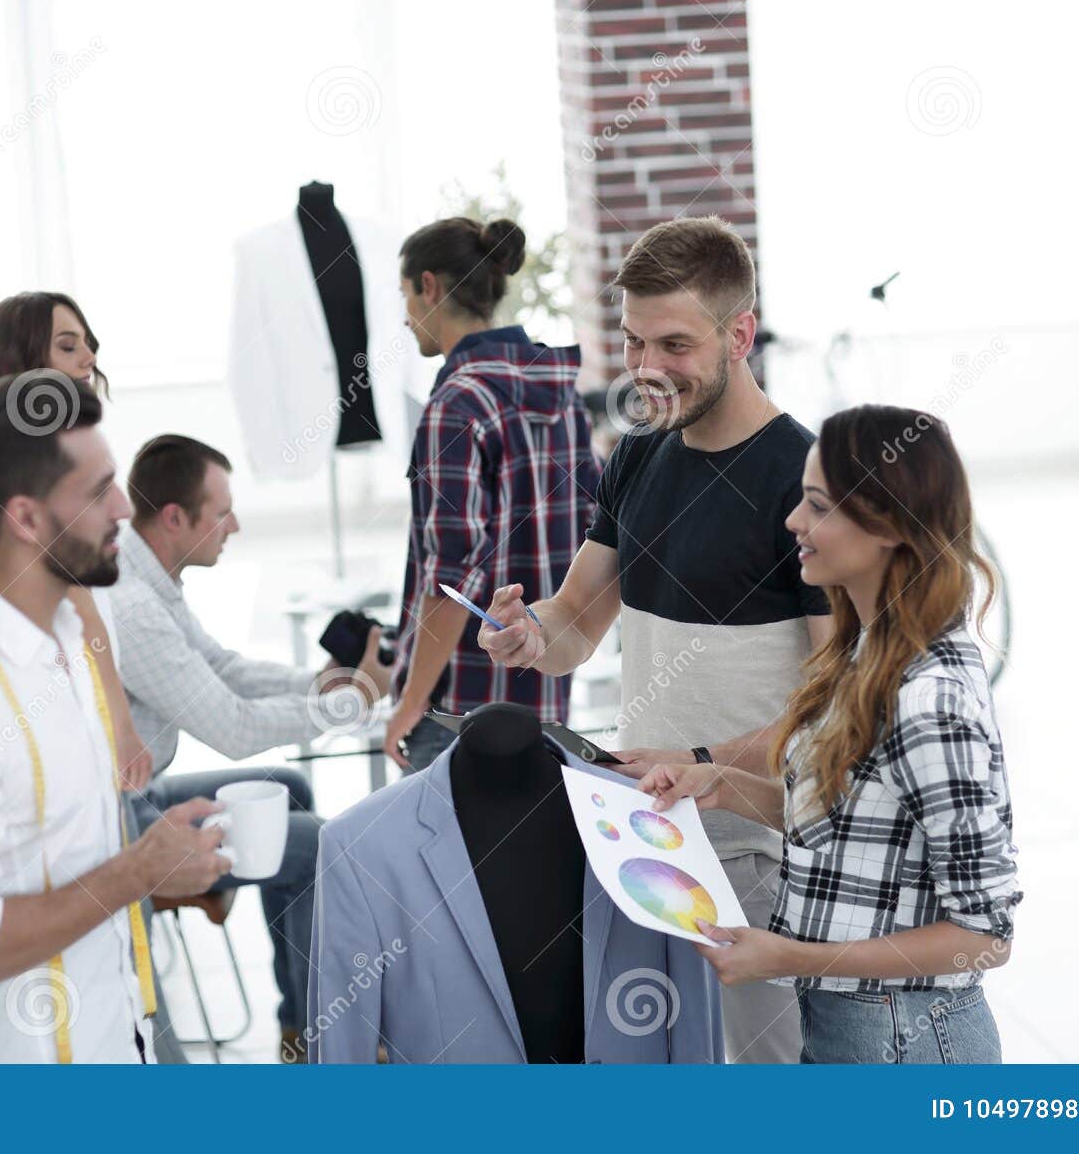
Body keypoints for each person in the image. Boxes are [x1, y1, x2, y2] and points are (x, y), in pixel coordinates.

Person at [478, 216, 830, 1063]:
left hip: (754, 843)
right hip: (645, 832)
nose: (647, 368)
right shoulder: (638, 454)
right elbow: (575, 623)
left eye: (674, 343)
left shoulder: (805, 479)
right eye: (634, 342)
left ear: (739, 334)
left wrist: (707, 760)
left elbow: (837, 698)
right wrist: (528, 635)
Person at [638, 404, 1022, 1064]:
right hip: (851, 1026)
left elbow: (984, 934)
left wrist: (789, 956)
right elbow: (859, 830)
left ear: (888, 526)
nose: (794, 521)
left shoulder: (933, 702)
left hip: (908, 1039)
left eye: (817, 505)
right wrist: (723, 786)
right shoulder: (869, 650)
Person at [0, 374, 229, 1063]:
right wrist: (136, 873)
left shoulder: (67, 631)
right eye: (97, 491)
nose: (125, 505)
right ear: (27, 518)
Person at [110, 433, 390, 1061]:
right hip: (125, 820)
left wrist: (325, 687)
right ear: (176, 519)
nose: (234, 524)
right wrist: (345, 706)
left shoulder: (147, 573)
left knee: (290, 791)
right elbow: (232, 727)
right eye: (222, 512)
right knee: (315, 840)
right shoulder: (133, 608)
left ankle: (298, 1022)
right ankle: (323, 1035)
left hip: (144, 790)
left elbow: (223, 668)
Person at [383, 216, 600, 771]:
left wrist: (409, 705)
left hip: (460, 713)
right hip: (543, 701)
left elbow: (452, 577)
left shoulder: (455, 405)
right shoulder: (560, 395)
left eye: (405, 295)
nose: (406, 318)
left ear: (429, 286)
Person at [0, 292, 153, 792]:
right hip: (77, 773)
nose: (89, 358)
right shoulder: (23, 506)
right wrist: (122, 728)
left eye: (88, 345)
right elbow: (88, 624)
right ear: (25, 363)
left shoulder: (21, 480)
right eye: (68, 347)